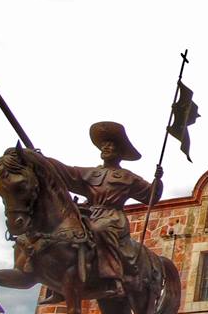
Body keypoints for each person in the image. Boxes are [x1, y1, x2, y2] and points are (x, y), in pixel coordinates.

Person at [40, 121, 162, 301]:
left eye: (111, 145)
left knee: (99, 229)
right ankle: (59, 285)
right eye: (104, 145)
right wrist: (43, 161)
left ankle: (112, 278)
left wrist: (157, 182)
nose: (106, 147)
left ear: (119, 152)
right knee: (64, 232)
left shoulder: (127, 177)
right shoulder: (90, 173)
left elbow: (149, 195)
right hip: (89, 213)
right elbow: (66, 172)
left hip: (112, 217)